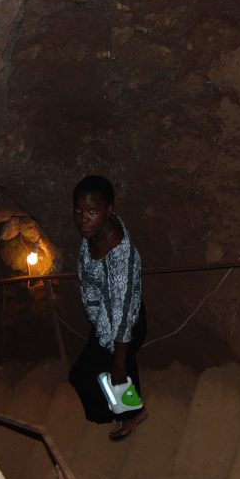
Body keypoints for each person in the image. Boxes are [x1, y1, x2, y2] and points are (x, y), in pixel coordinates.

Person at [68, 175, 149, 441]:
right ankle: (133, 411)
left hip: (122, 327)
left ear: (109, 209)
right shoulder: (96, 232)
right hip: (104, 319)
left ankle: (119, 413)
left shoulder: (121, 260)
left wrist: (118, 362)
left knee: (84, 375)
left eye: (92, 211)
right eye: (79, 210)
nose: (83, 219)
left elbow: (123, 317)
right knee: (122, 367)